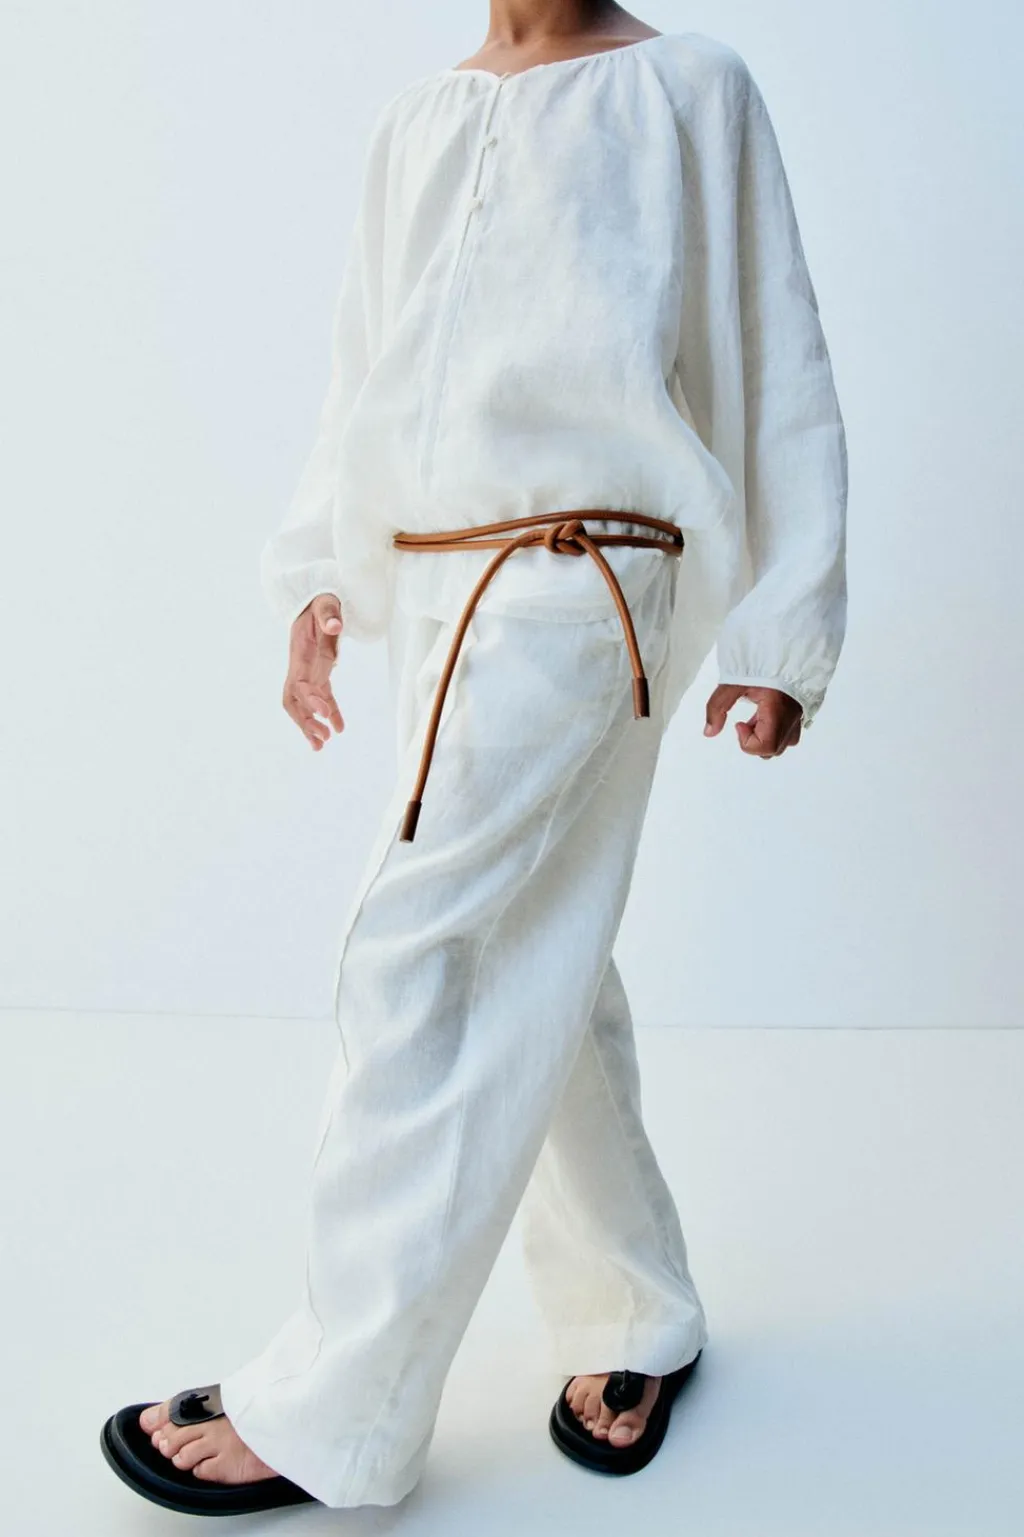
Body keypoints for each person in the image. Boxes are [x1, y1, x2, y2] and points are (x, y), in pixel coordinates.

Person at [100, 0, 848, 1515]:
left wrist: (784, 633)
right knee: (542, 950)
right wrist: (321, 575)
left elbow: (773, 359)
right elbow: (366, 367)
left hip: (589, 581)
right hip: (438, 586)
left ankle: (337, 1406)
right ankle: (635, 1315)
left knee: (417, 954)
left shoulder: (688, 90)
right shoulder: (420, 117)